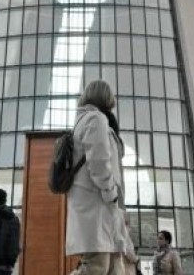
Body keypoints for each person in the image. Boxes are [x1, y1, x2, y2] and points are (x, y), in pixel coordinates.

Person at [66, 80, 126, 275]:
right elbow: (99, 162)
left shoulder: (84, 120)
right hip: (97, 204)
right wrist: (111, 194)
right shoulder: (95, 119)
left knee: (110, 268)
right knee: (96, 267)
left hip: (95, 205)